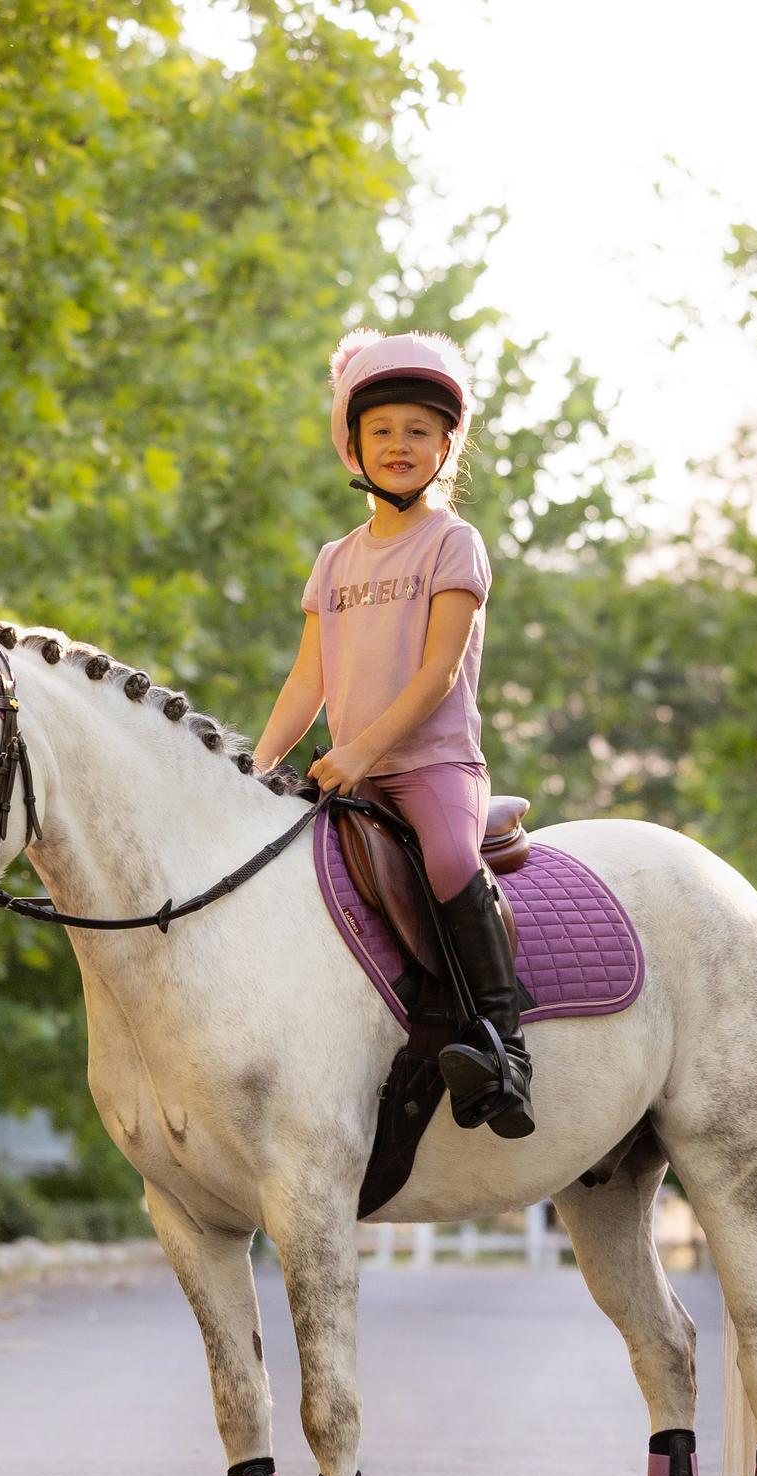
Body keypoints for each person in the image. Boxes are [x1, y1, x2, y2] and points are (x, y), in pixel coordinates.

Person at [252, 328, 534, 1139]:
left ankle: (505, 1051)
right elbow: (308, 680)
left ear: (447, 445)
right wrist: (258, 764)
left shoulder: (454, 544)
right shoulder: (334, 561)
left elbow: (439, 673)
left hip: (432, 765)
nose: (399, 445)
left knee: (449, 857)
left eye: (418, 431)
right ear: (356, 445)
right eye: (382, 431)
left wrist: (365, 751)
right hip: (348, 771)